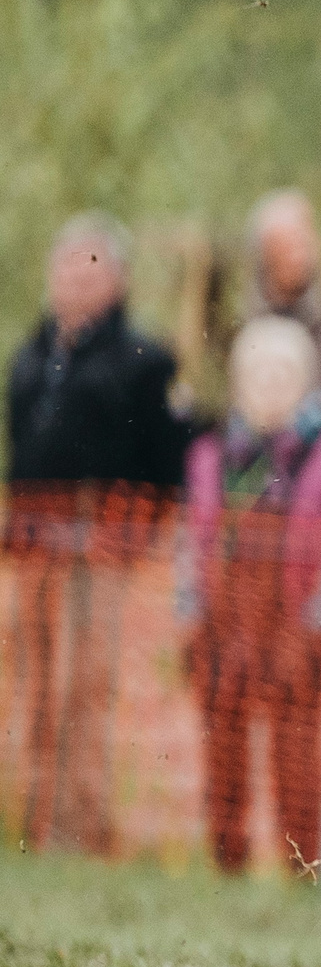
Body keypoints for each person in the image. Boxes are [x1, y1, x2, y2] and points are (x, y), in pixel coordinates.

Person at [6, 213, 188, 853]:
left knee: (87, 689)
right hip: (31, 545)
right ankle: (31, 824)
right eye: (64, 266)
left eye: (88, 268)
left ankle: (80, 831)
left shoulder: (142, 360)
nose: (72, 282)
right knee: (32, 685)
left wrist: (138, 534)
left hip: (105, 549)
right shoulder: (31, 357)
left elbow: (169, 463)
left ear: (117, 279)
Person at [182, 316, 321, 876]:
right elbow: (193, 541)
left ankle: (302, 868)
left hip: (296, 620)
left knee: (296, 753)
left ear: (306, 382)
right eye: (257, 372)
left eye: (283, 373)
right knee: (223, 746)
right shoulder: (211, 456)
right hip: (225, 619)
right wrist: (191, 614)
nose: (269, 384)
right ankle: (226, 864)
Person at [246, 189, 321, 428]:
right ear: (266, 253)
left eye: (305, 243)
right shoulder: (250, 333)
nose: (301, 257)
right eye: (290, 245)